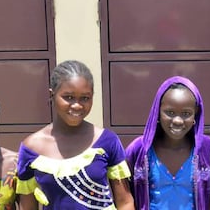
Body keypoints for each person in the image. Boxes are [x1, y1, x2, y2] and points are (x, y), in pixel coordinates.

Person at [16, 60, 135, 210]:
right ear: (52, 95)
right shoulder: (31, 148)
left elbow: (125, 202)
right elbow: (27, 206)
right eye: (69, 97)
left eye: (85, 98)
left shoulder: (107, 141)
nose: (77, 105)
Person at [125, 76, 210, 210]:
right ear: (158, 112)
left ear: (195, 114)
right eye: (170, 112)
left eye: (186, 113)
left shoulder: (207, 149)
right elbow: (125, 196)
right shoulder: (139, 150)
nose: (178, 120)